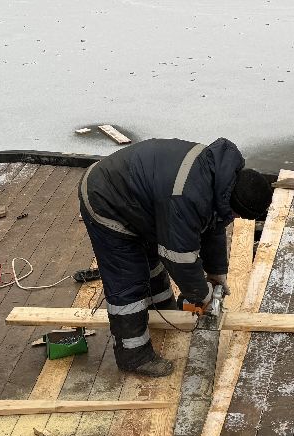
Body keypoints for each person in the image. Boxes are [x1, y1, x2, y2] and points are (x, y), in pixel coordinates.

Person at [78, 138, 274, 377]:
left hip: (142, 199)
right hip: (107, 199)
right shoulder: (188, 196)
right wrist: (202, 295)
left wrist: (216, 274)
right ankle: (134, 354)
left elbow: (213, 228)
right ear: (233, 202)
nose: (235, 218)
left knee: (151, 263)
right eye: (237, 214)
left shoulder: (220, 178)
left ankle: (162, 310)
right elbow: (179, 258)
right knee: (128, 281)